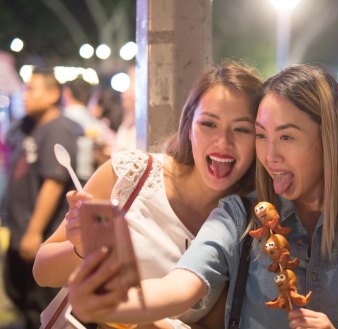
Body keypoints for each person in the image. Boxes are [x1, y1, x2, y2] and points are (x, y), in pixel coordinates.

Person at [65, 64, 338, 329]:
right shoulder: (241, 214)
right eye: (260, 135)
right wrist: (114, 301)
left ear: (329, 141)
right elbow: (181, 285)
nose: (269, 156)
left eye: (286, 137)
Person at [33, 61, 263, 328]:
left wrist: (148, 320)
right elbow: (43, 272)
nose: (223, 141)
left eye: (241, 129)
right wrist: (81, 250)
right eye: (208, 124)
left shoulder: (247, 225)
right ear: (188, 125)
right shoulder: (131, 174)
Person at [1, 67, 83, 329]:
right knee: (22, 300)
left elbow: (54, 182)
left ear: (52, 94)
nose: (25, 95)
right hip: (21, 231)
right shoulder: (31, 126)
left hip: (41, 235)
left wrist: (34, 231)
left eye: (31, 89)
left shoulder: (58, 129)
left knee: (42, 307)